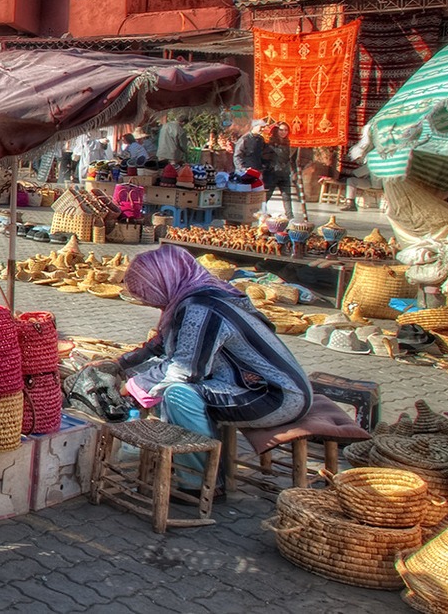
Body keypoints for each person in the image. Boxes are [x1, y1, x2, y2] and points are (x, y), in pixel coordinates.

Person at [107, 247, 312, 495]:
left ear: (164, 281)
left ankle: (199, 483)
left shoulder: (201, 308)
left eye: (148, 292)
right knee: (160, 383)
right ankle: (185, 460)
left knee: (177, 394)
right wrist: (120, 364)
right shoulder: (198, 294)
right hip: (260, 387)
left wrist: (133, 386)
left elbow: (186, 370)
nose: (147, 300)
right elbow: (162, 343)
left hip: (275, 397)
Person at [263, 121, 296, 217]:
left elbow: (290, 160)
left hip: (284, 174)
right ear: (276, 130)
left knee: (287, 197)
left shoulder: (288, 144)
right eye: (281, 130)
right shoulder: (270, 144)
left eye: (286, 130)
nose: (283, 132)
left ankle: (290, 217)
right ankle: (262, 214)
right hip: (272, 174)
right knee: (266, 197)